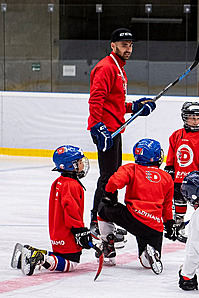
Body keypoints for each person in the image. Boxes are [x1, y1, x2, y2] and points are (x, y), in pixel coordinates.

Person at [88, 28, 156, 236]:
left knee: (113, 177)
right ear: (113, 46)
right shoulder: (106, 67)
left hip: (114, 130)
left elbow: (114, 102)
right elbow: (96, 100)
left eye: (131, 45)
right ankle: (97, 220)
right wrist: (96, 126)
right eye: (124, 45)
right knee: (108, 178)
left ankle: (106, 218)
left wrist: (134, 107)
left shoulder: (118, 68)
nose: (128, 49)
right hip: (107, 131)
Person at [12, 145, 93, 276]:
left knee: (60, 255)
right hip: (67, 232)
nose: (82, 164)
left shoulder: (59, 181)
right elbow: (71, 210)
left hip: (57, 231)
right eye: (79, 162)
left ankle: (26, 255)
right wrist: (78, 230)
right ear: (70, 165)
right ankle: (39, 257)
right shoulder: (72, 185)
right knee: (70, 263)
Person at [97, 138, 174, 274]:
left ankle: (108, 246)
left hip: (132, 218)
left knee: (103, 210)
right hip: (154, 226)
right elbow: (167, 206)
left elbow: (114, 182)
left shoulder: (131, 168)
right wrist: (169, 224)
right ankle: (149, 253)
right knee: (147, 264)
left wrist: (108, 192)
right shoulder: (167, 177)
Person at [164, 102, 199, 242]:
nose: (195, 121)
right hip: (179, 178)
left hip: (195, 179)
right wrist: (169, 168)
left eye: (198, 118)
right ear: (185, 118)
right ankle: (179, 223)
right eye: (192, 118)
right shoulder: (176, 135)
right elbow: (172, 154)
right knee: (179, 201)